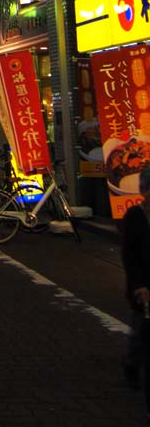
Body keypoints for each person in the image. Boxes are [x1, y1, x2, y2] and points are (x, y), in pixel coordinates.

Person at [120, 166, 150, 390]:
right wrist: (138, 284)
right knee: (139, 331)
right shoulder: (134, 215)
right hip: (142, 284)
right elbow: (130, 255)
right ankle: (131, 363)